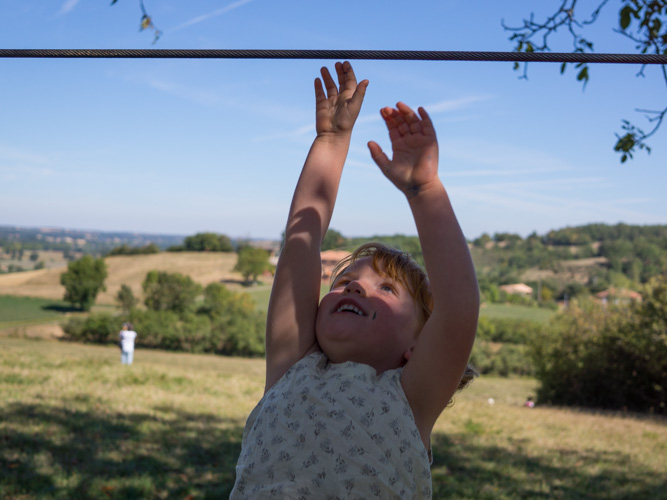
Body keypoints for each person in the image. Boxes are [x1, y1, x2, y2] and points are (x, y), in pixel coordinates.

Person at [230, 61, 479, 498]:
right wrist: (331, 139)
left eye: (387, 289)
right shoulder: (291, 366)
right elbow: (300, 243)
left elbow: (458, 307)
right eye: (344, 282)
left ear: (416, 344)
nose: (356, 287)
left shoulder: (413, 395)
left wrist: (425, 190)